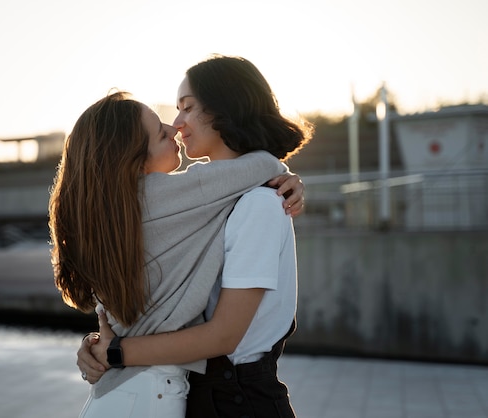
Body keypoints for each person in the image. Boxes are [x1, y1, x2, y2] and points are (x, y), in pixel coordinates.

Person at [77, 55, 313, 418]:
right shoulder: (208, 203)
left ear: (225, 109)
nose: (177, 124)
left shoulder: (260, 204)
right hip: (197, 392)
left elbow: (224, 337)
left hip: (238, 399)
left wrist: (115, 352)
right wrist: (99, 343)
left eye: (187, 108)